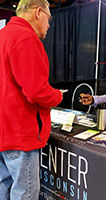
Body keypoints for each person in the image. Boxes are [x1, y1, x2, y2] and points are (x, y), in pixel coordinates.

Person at [0, 0, 63, 199]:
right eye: (49, 18)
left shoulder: (3, 36)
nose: (49, 25)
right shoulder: (26, 38)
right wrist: (58, 96)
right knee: (25, 193)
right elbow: (37, 92)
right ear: (38, 12)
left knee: (3, 189)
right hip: (21, 134)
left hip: (4, 131)